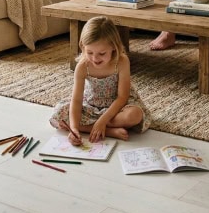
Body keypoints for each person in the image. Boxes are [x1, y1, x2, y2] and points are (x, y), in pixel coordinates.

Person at [49, 16, 151, 144]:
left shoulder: (122, 61)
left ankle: (95, 127)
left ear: (114, 47)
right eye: (90, 52)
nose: (95, 58)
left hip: (117, 106)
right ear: (83, 46)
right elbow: (76, 100)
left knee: (134, 115)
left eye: (102, 53)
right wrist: (74, 129)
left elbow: (122, 97)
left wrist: (102, 121)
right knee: (59, 115)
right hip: (91, 105)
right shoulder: (82, 66)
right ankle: (108, 131)